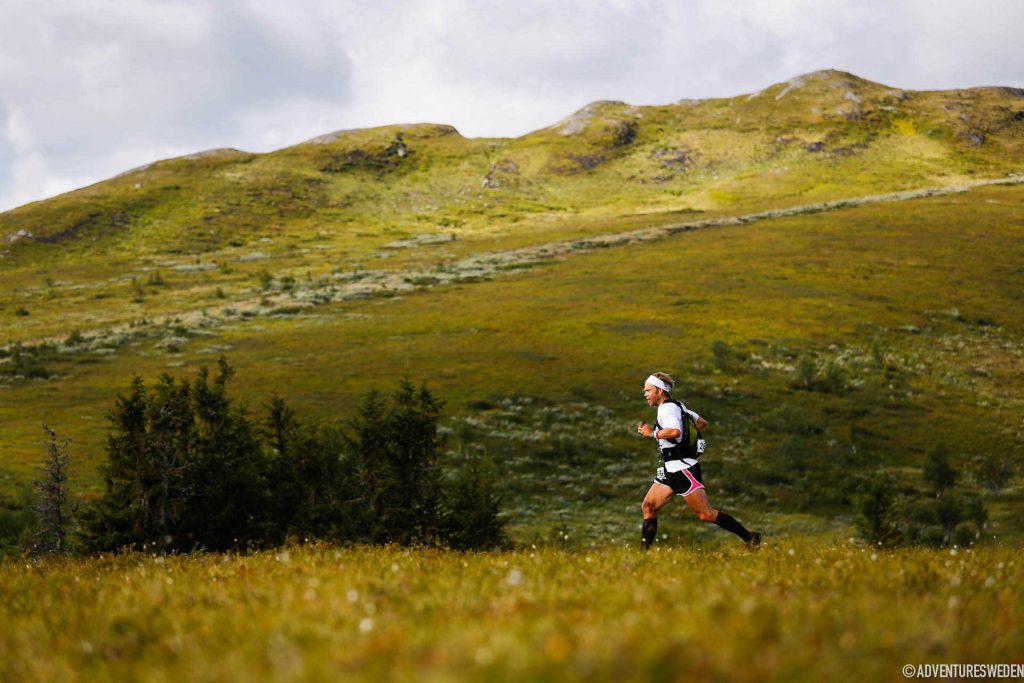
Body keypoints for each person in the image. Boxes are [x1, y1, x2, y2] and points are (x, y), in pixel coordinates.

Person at [635, 372, 761, 549]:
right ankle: (643, 554)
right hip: (671, 469)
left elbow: (675, 431)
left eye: (648, 390)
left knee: (706, 515)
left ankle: (751, 537)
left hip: (683, 469)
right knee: (649, 506)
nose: (645, 394)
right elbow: (701, 423)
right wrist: (683, 445)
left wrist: (652, 434)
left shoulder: (666, 409)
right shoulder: (678, 406)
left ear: (660, 390)